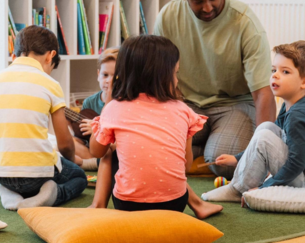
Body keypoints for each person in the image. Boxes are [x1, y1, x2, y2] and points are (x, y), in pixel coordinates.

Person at [155, 0, 274, 178]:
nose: (208, 7)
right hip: (186, 104)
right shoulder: (168, 16)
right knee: (155, 150)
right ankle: (206, 144)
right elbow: (158, 76)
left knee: (222, 162)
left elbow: (262, 93)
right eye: (197, 1)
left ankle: (208, 147)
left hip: (234, 105)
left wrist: (265, 147)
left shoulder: (245, 22)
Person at [86, 35, 222, 218]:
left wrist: (106, 114)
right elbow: (186, 166)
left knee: (111, 151)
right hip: (174, 204)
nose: (176, 80)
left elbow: (97, 152)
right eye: (175, 73)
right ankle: (197, 204)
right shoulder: (184, 111)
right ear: (162, 76)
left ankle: (97, 206)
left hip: (128, 206)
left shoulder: (114, 108)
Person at [207, 41, 305, 201]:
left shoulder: (299, 115)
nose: (275, 75)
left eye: (285, 72)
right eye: (274, 70)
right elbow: (275, 135)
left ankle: (238, 189)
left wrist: (265, 188)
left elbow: (297, 163)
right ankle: (241, 181)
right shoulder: (290, 105)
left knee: (264, 138)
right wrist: (238, 158)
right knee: (266, 127)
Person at [0, 25, 87, 210]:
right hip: (38, 175)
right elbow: (65, 143)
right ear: (50, 55)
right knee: (78, 177)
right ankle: (52, 195)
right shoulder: (50, 84)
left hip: (1, 173)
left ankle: (9, 192)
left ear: (14, 56)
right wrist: (70, 161)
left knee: (20, 178)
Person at [71, 49, 117, 169]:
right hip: (93, 149)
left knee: (110, 150)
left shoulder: (125, 104)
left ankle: (89, 164)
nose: (109, 81)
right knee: (69, 143)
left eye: (115, 77)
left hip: (113, 148)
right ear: (98, 75)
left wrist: (97, 131)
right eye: (105, 75)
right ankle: (96, 163)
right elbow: (82, 138)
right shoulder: (89, 102)